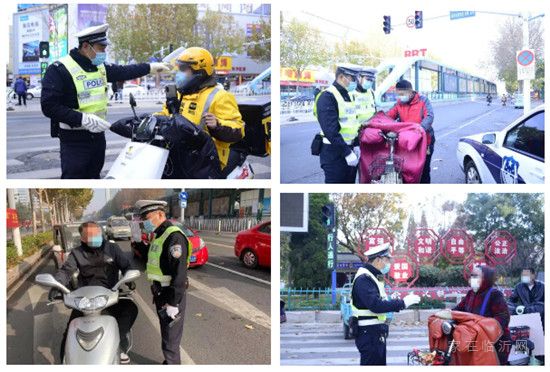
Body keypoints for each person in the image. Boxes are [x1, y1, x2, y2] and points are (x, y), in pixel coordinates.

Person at [40, 23, 170, 179]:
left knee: (94, 175)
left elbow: (124, 71)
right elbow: (49, 106)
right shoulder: (59, 69)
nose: (104, 52)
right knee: (75, 177)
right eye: (101, 48)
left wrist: (150, 67)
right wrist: (82, 119)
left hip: (98, 137)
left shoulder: (99, 66)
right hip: (74, 139)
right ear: (86, 46)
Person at [48, 221, 138, 364]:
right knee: (70, 332)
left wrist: (129, 277)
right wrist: (56, 285)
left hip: (110, 294)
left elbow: (126, 265)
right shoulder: (77, 253)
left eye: (97, 233)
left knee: (131, 309)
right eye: (90, 235)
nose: (95, 236)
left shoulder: (112, 248)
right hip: (85, 299)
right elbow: (65, 272)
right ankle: (65, 361)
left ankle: (119, 344)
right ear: (82, 238)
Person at [153, 47, 245, 178]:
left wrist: (217, 125)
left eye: (184, 69)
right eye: (179, 69)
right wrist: (154, 119)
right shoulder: (180, 94)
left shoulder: (220, 96)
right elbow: (167, 115)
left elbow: (239, 130)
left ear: (199, 71)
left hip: (208, 160)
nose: (179, 73)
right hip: (182, 154)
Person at [135, 200, 191, 364]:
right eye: (143, 218)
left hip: (170, 295)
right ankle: (170, 362)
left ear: (160, 214)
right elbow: (153, 258)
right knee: (167, 334)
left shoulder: (174, 236)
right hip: (160, 293)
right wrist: (138, 243)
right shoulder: (159, 234)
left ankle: (172, 364)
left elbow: (179, 274)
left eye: (147, 217)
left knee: (170, 339)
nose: (145, 222)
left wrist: (173, 302)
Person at [352, 243, 421, 365]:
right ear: (378, 260)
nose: (388, 264)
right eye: (386, 260)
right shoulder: (364, 279)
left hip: (375, 331)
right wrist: (402, 303)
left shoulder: (373, 277)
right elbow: (376, 305)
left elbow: (381, 301)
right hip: (368, 333)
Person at [314, 64, 362, 183]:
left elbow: (353, 123)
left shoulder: (349, 95)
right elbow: (330, 130)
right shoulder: (327, 97)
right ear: (341, 77)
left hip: (350, 149)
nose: (355, 82)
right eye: (353, 79)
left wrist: (356, 144)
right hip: (334, 153)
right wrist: (347, 153)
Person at [454, 265, 511, 365]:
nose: (472, 279)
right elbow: (458, 310)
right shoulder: (470, 294)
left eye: (476, 276)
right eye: (471, 276)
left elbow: (503, 318)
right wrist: (447, 314)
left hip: (495, 342)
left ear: (486, 278)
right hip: (473, 340)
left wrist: (482, 327)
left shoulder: (494, 294)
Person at [386, 79, 435, 183]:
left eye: (402, 94)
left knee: (423, 169)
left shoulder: (423, 101)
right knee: (407, 168)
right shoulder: (399, 103)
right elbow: (388, 116)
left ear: (410, 91)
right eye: (398, 94)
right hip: (407, 141)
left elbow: (429, 117)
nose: (400, 97)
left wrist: (419, 129)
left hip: (424, 141)